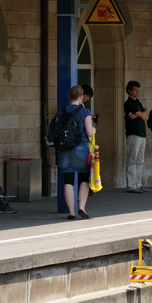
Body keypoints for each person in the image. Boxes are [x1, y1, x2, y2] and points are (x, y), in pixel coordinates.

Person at [56, 85, 96, 219]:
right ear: (80, 97)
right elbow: (90, 133)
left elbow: (57, 130)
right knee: (84, 179)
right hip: (81, 148)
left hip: (64, 149)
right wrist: (94, 130)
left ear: (69, 96)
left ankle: (71, 212)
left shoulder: (61, 111)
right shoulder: (85, 112)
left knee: (68, 180)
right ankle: (82, 208)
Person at [124, 80, 149, 193]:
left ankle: (138, 184)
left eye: (138, 90)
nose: (137, 92)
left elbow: (145, 115)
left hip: (142, 133)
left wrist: (140, 114)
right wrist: (140, 114)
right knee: (132, 159)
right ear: (129, 90)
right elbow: (141, 115)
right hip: (133, 133)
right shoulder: (128, 103)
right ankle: (131, 185)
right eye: (135, 90)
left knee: (140, 160)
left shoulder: (138, 103)